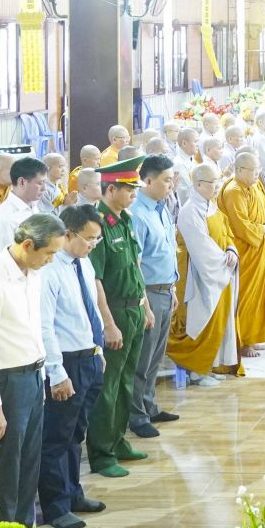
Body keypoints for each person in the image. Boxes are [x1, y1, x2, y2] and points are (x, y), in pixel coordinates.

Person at [0, 211, 65, 527]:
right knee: (8, 468)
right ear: (27, 245)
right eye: (49, 253)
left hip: (33, 376)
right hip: (7, 382)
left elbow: (33, 330)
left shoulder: (33, 274)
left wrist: (43, 376)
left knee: (29, 465)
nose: (51, 260)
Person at [38, 204, 108, 528]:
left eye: (97, 239)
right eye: (89, 238)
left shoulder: (84, 262)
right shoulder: (49, 271)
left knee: (77, 433)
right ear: (68, 234)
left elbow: (89, 308)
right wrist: (57, 373)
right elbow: (45, 326)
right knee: (57, 436)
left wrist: (98, 349)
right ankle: (56, 505)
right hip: (65, 361)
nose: (93, 244)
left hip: (89, 356)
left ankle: (73, 492)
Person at [84, 157, 153, 477]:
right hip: (115, 312)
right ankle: (101, 453)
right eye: (128, 189)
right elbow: (96, 279)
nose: (134, 194)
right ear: (110, 189)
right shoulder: (98, 225)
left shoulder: (124, 220)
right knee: (109, 386)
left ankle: (118, 439)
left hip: (134, 309)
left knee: (127, 381)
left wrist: (146, 306)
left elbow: (135, 267)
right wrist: (108, 324)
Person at [168, 163, 242, 385]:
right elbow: (201, 248)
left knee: (218, 319)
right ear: (198, 184)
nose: (217, 187)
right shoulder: (190, 211)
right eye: (213, 183)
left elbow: (226, 233)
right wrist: (223, 263)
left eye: (218, 182)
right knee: (202, 320)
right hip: (200, 275)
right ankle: (196, 371)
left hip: (220, 271)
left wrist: (231, 249)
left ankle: (208, 366)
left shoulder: (211, 206)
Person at [128, 154, 181, 439]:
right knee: (143, 358)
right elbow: (135, 263)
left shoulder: (162, 208)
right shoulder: (137, 213)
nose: (171, 185)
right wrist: (145, 303)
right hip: (148, 292)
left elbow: (167, 250)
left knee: (156, 356)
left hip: (165, 289)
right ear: (148, 181)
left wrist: (173, 288)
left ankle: (149, 406)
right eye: (166, 180)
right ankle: (136, 415)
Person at [219, 151, 265, 354]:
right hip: (246, 251)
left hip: (260, 247)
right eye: (253, 170)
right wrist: (264, 229)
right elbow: (240, 225)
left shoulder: (255, 185)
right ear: (239, 170)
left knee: (258, 296)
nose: (257, 174)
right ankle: (243, 341)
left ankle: (254, 336)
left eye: (258, 169)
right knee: (245, 296)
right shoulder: (234, 191)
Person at [0, 156, 48, 262]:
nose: (44, 189)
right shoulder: (5, 219)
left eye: (45, 183)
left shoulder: (34, 206)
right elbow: (3, 261)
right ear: (22, 182)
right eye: (40, 183)